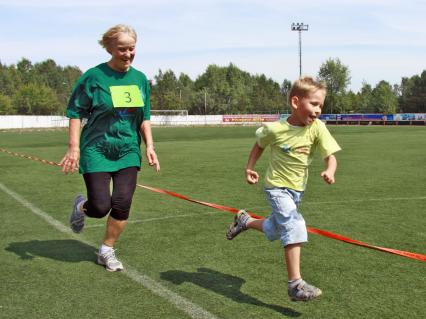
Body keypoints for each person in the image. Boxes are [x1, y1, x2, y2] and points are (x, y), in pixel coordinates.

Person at [226, 76, 341, 301]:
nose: (318, 110)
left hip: (297, 190)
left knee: (275, 227)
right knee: (294, 223)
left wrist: (330, 170)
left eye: (321, 105)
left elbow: (331, 157)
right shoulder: (275, 129)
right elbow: (259, 145)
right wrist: (249, 167)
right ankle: (295, 284)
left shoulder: (317, 128)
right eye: (314, 104)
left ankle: (245, 221)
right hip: (276, 187)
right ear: (296, 102)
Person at [60, 24, 160, 272]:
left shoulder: (139, 79)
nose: (127, 54)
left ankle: (106, 250)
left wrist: (150, 145)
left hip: (127, 150)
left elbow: (144, 115)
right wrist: (74, 148)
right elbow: (75, 112)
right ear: (109, 49)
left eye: (132, 49)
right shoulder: (94, 77)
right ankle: (82, 206)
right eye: (122, 49)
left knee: (122, 201)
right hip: (97, 149)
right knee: (100, 206)